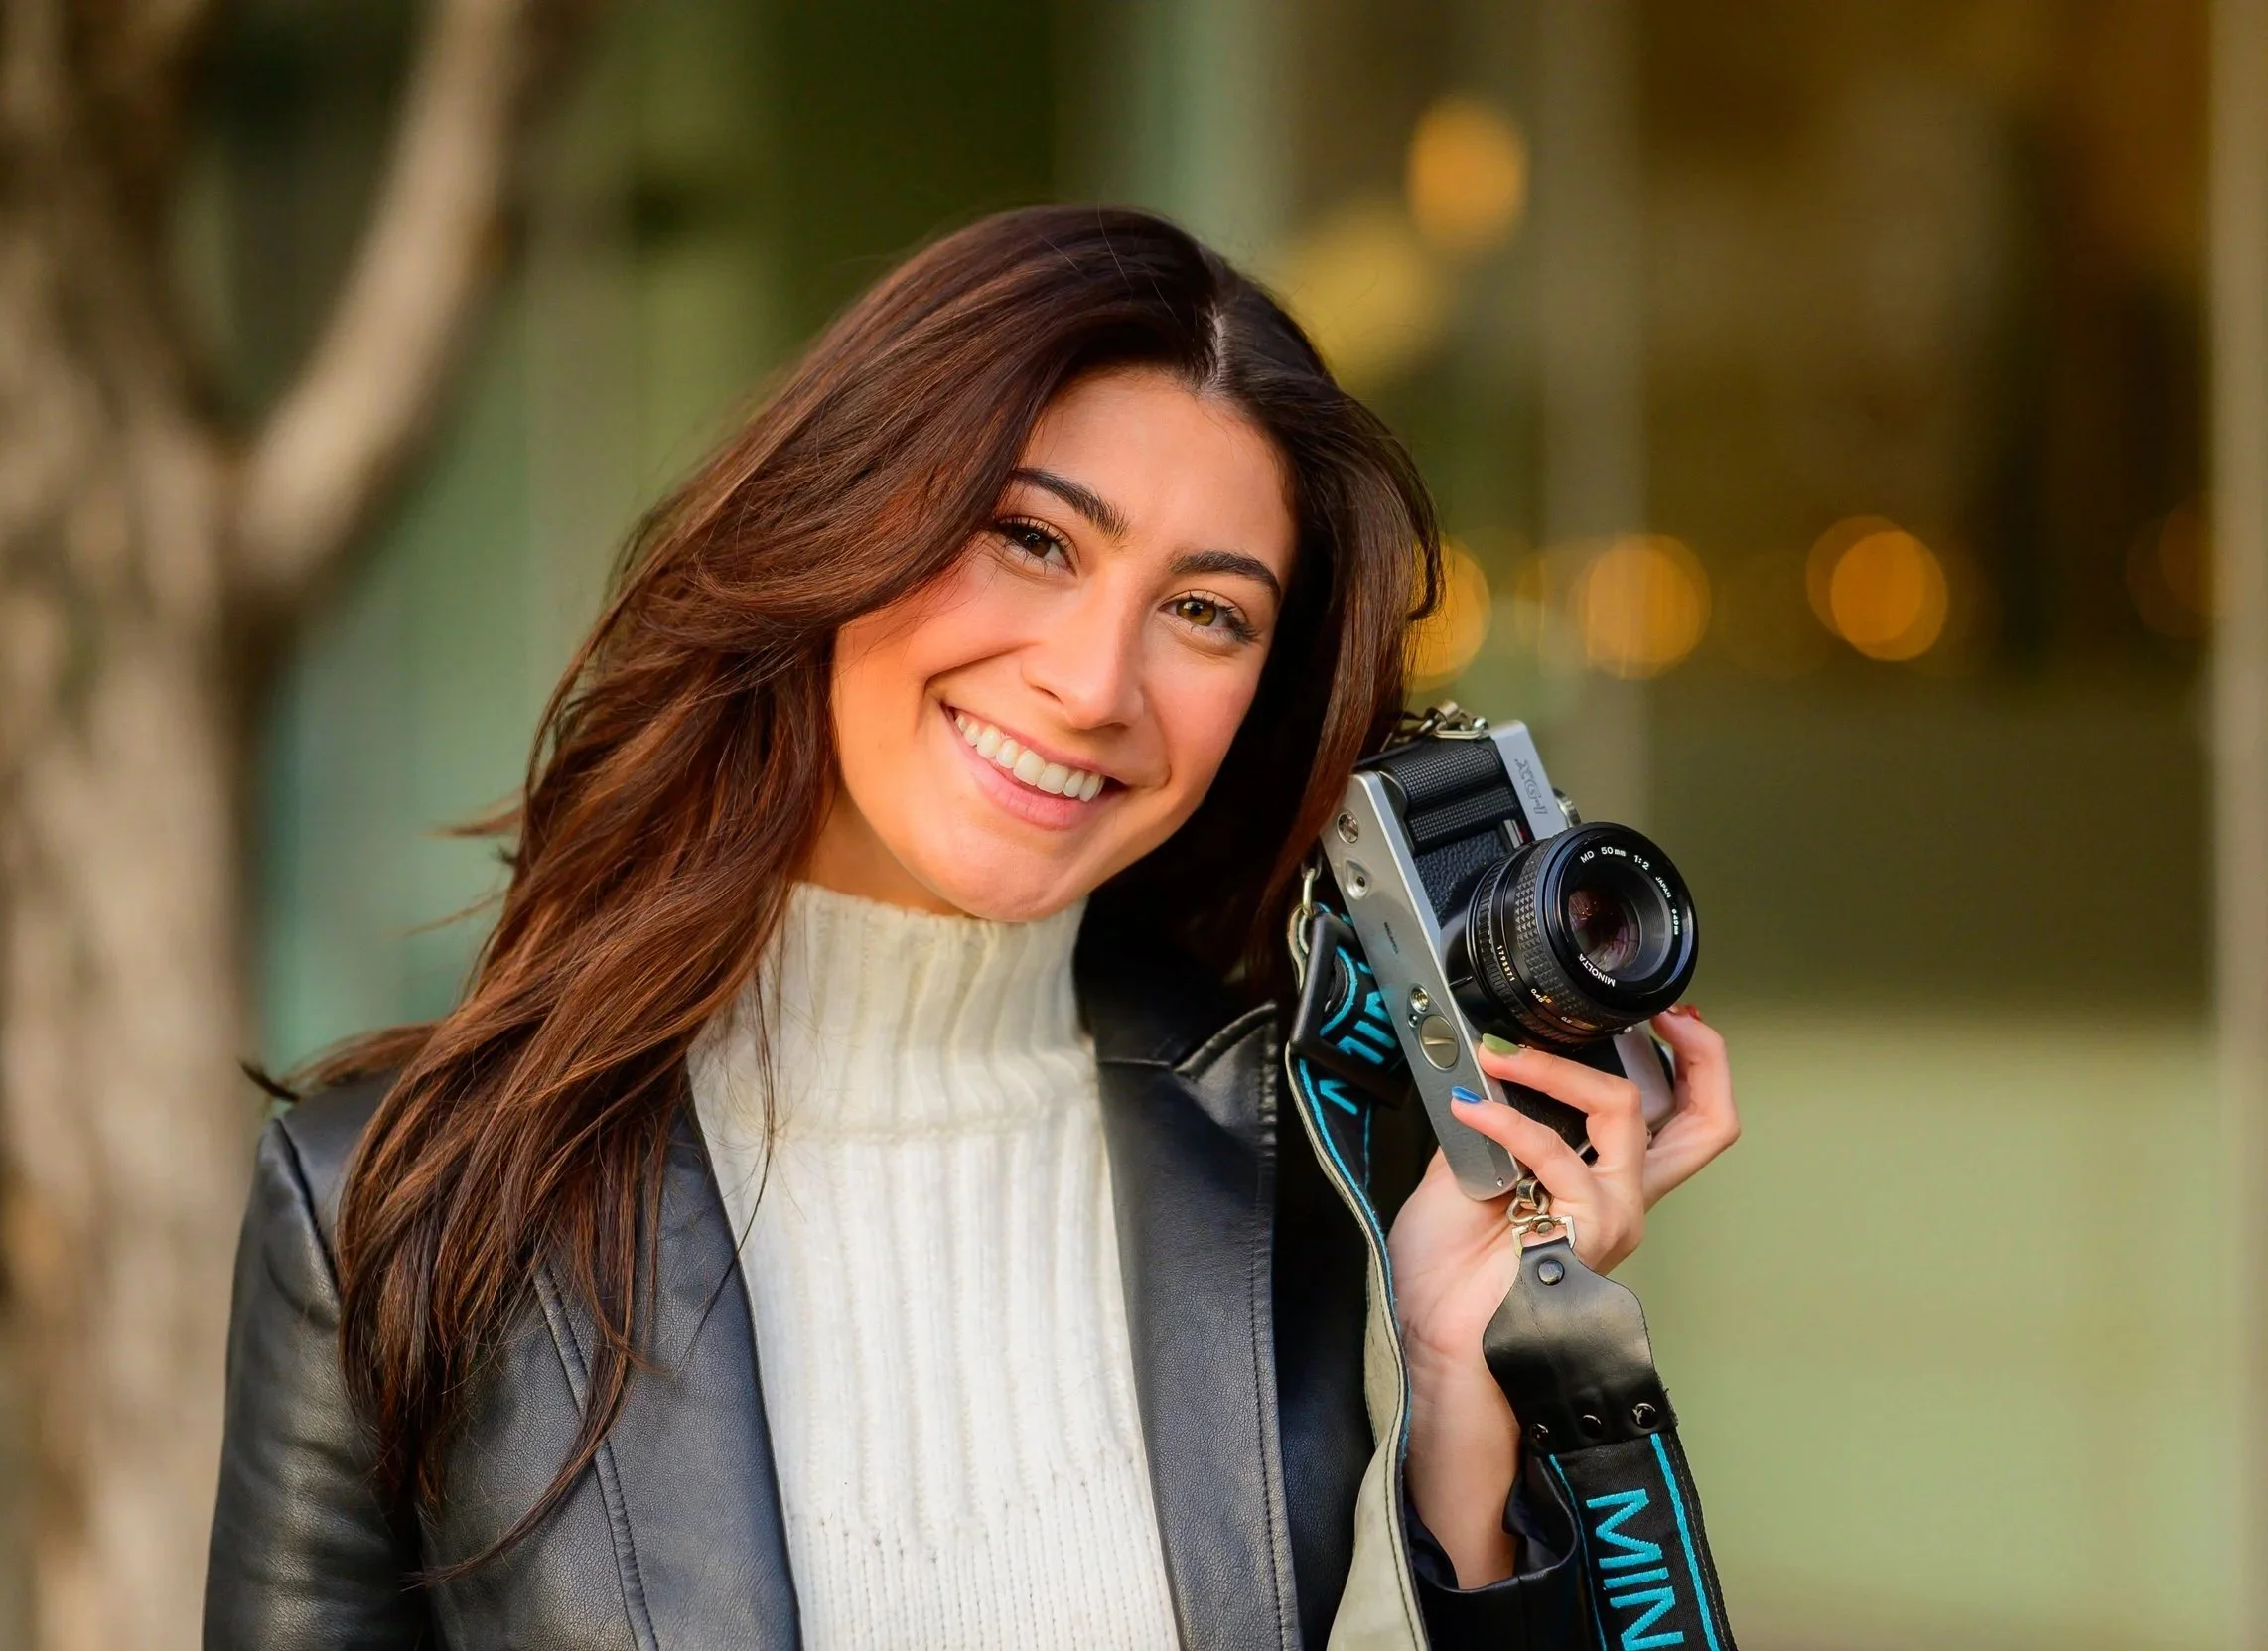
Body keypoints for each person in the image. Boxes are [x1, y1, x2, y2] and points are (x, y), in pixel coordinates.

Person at [203, 205, 1740, 1650]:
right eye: (1033, 537)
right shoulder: (397, 1204)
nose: (1092, 681)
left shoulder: (1290, 1166)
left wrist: (1480, 1382)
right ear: (837, 529)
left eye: (1206, 612)